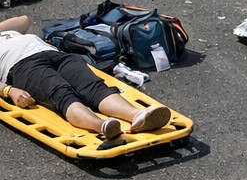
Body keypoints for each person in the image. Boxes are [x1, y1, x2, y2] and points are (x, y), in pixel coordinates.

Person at [0, 15, 170, 140]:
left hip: (54, 54)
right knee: (62, 94)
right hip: (21, 66)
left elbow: (24, 20)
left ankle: (138, 116)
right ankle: (102, 126)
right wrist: (10, 90)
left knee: (94, 87)